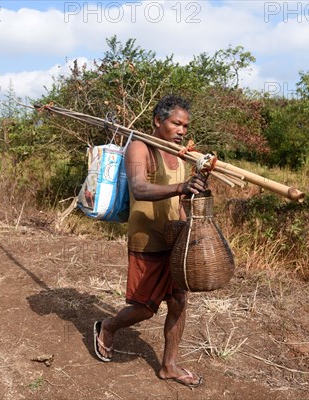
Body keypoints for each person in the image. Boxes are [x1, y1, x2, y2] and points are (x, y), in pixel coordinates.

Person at [93, 96, 206, 388]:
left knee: (179, 301)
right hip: (147, 237)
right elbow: (140, 188)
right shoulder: (139, 147)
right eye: (175, 123)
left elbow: (180, 196)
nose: (181, 130)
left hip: (175, 237)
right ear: (158, 121)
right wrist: (181, 185)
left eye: (185, 125)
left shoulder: (181, 154)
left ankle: (168, 365)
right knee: (145, 306)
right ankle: (108, 326)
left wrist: (193, 193)